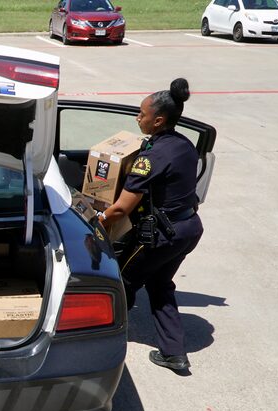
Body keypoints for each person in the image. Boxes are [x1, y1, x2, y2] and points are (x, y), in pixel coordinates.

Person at [96, 78, 204, 375]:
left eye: (141, 115)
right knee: (159, 283)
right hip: (189, 228)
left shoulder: (150, 157)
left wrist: (96, 223)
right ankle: (174, 354)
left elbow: (121, 208)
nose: (137, 118)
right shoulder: (182, 145)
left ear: (158, 120)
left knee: (123, 281)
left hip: (161, 236)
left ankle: (105, 337)